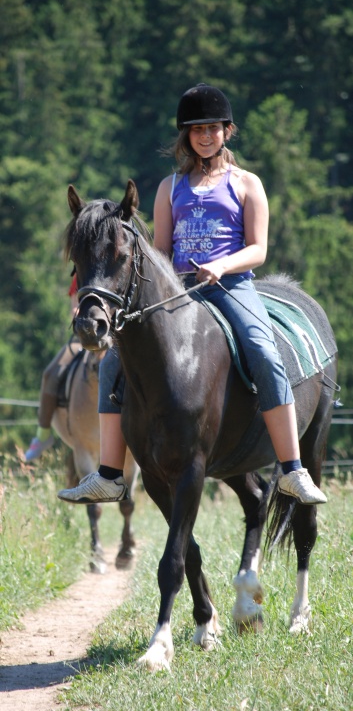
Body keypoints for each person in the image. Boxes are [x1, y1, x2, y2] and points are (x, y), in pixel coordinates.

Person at [58, 82, 327, 506]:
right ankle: (109, 475)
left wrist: (222, 265)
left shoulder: (246, 183)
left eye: (213, 128)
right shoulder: (170, 187)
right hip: (179, 292)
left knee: (263, 351)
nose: (205, 136)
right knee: (112, 361)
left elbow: (259, 248)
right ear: (186, 136)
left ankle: (292, 469)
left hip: (231, 286)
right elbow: (161, 250)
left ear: (227, 130)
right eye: (196, 129)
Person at [24, 275, 82, 461]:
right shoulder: (79, 273)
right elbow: (74, 307)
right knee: (50, 374)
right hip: (83, 340)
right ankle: (43, 433)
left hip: (116, 339)